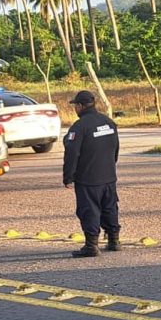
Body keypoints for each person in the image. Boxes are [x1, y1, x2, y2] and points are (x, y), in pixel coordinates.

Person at [62, 90, 121, 258]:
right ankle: (114, 240)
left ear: (80, 106)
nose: (75, 109)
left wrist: (68, 177)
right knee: (110, 207)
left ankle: (91, 245)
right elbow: (115, 148)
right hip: (109, 175)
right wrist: (110, 166)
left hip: (88, 178)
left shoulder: (80, 127)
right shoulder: (108, 122)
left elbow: (72, 153)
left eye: (75, 106)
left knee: (89, 210)